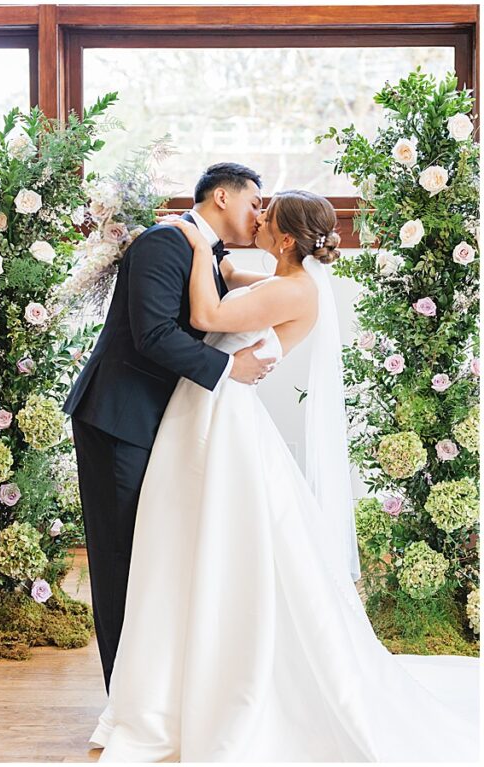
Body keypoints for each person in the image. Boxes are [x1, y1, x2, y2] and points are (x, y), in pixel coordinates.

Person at [92, 190, 479, 761]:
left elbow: (207, 316)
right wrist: (201, 241)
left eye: (266, 218)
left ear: (287, 238)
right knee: (185, 541)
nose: (257, 219)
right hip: (208, 410)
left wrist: (197, 244)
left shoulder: (292, 289)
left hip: (221, 418)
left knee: (216, 539)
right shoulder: (281, 281)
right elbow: (228, 274)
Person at [63, 163, 276, 690]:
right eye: (255, 202)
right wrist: (231, 369)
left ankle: (152, 686)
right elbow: (153, 334)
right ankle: (125, 696)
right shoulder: (164, 243)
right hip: (120, 418)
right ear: (222, 197)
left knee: (153, 551)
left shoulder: (206, 251)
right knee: (120, 557)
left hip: (155, 419)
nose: (260, 214)